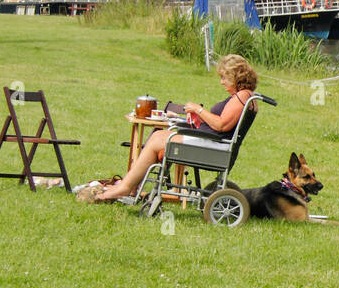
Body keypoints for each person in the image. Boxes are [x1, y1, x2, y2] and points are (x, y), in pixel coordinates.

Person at [95, 55, 258, 202]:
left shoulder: (242, 96)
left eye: (224, 77)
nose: (222, 82)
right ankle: (129, 186)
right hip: (213, 143)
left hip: (216, 147)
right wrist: (198, 119)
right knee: (160, 136)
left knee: (158, 138)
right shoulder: (242, 96)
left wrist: (198, 109)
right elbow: (221, 124)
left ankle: (126, 187)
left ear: (236, 76)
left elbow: (222, 125)